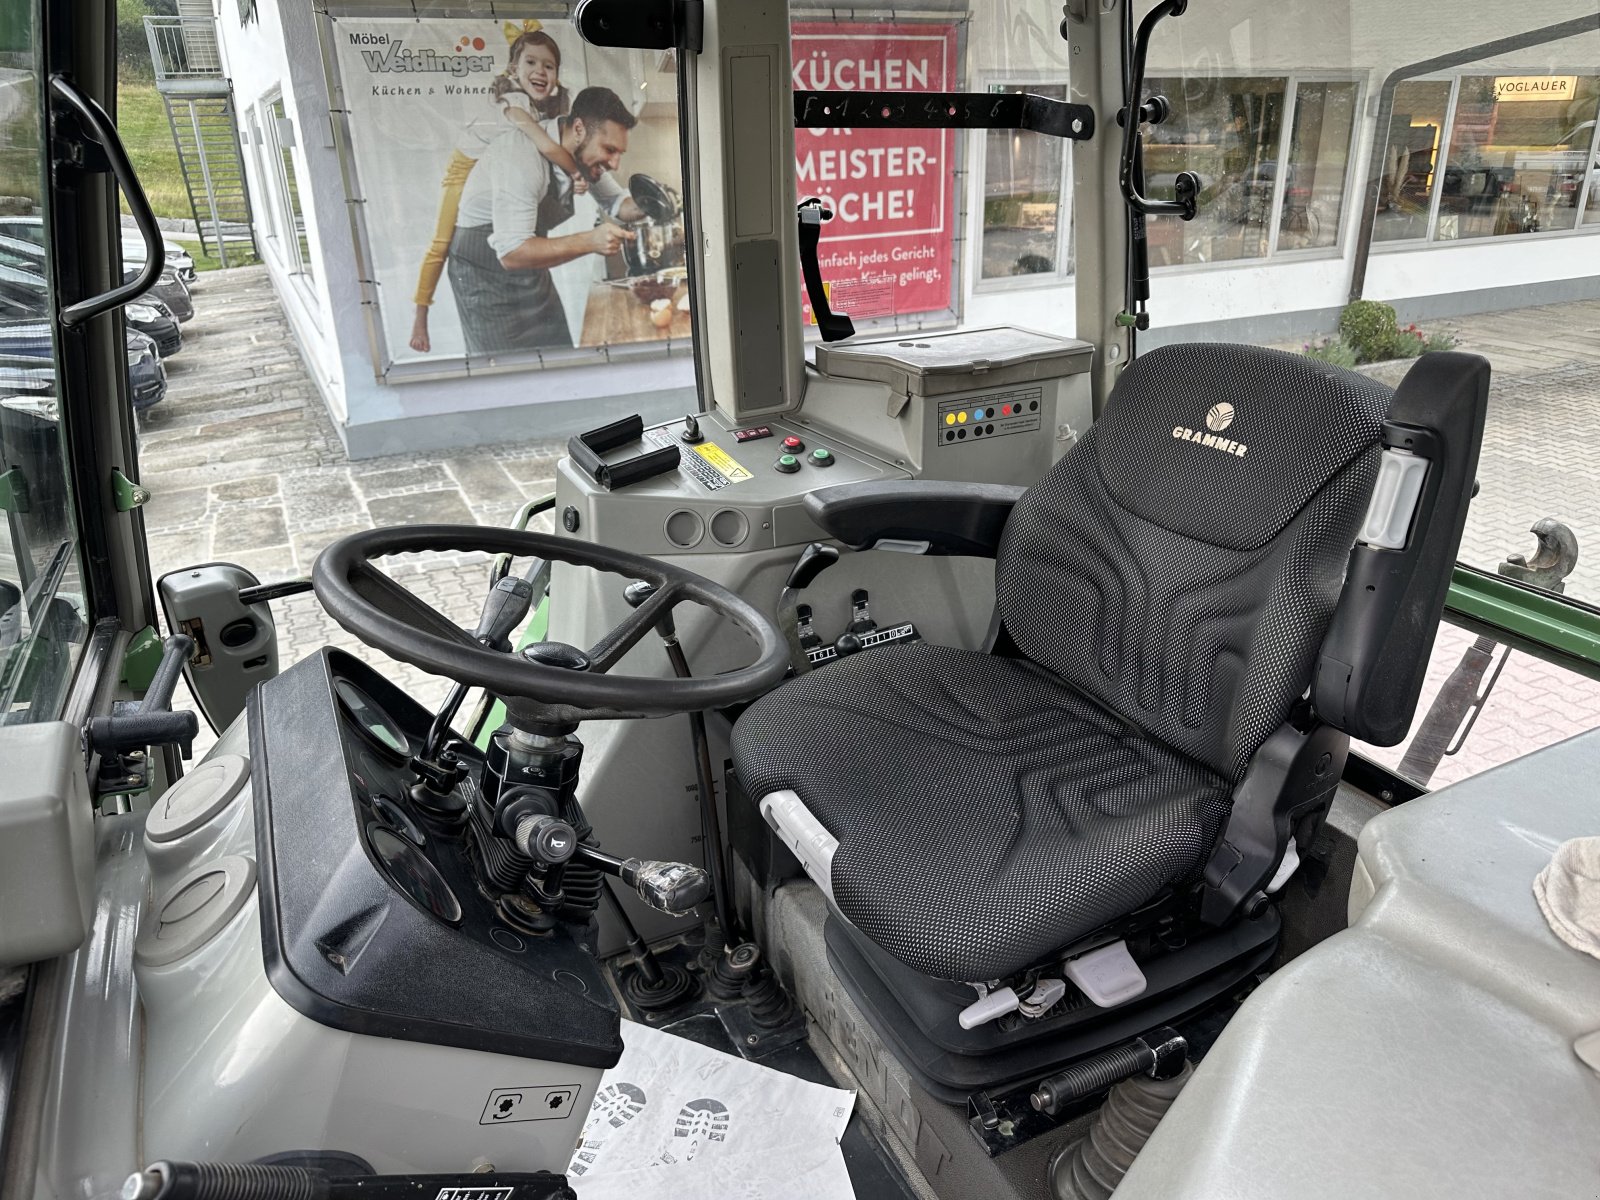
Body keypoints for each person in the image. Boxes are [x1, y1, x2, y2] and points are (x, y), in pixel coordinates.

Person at [408, 23, 587, 354]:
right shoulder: (514, 101)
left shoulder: (546, 109)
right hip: (463, 168)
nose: (540, 71)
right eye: (531, 62)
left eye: (549, 65)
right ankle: (420, 319)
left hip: (492, 187)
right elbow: (547, 148)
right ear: (513, 70)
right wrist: (576, 173)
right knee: (440, 244)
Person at [447, 86, 644, 356]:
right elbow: (512, 253)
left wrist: (657, 200)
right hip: (486, 278)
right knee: (512, 380)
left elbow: (619, 205)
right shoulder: (520, 154)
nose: (616, 163)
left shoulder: (583, 160)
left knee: (559, 359)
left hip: (530, 270)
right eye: (610, 149)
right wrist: (590, 240)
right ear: (578, 129)